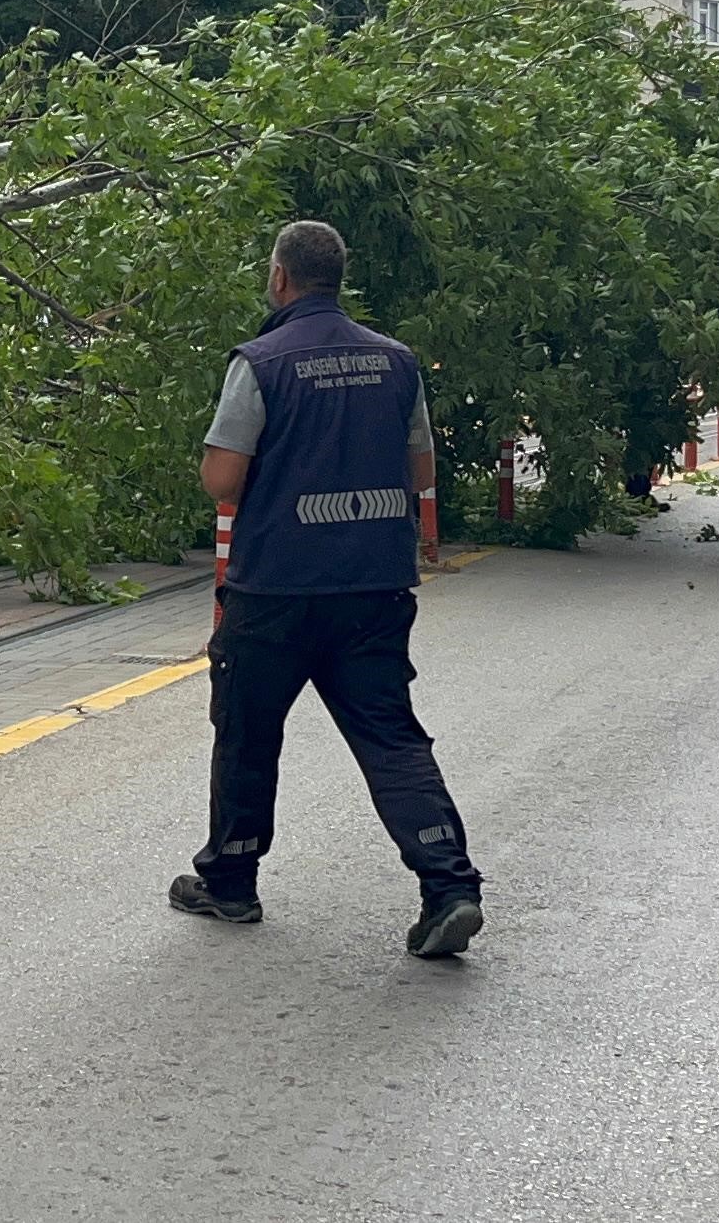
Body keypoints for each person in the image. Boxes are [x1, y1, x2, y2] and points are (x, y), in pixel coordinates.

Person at [176, 219, 484, 961]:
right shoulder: (397, 361)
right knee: (390, 735)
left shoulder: (261, 362)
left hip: (276, 588)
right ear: (338, 279)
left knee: (249, 732)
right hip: (374, 586)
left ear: (280, 278)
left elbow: (223, 482)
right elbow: (422, 475)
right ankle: (450, 886)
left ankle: (234, 880)